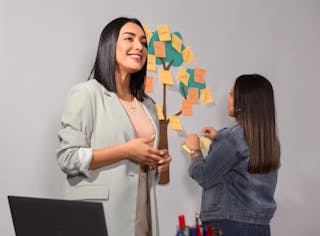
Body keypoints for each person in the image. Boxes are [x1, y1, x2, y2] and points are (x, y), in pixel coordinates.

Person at [56, 17, 171, 236]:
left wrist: (157, 163)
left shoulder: (148, 106)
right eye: (130, 38)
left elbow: (141, 170)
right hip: (100, 217)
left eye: (143, 42)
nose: (139, 46)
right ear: (110, 45)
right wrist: (126, 151)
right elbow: (67, 158)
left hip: (142, 218)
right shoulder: (86, 94)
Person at [184, 74, 280, 236]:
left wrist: (195, 150)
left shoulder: (233, 138)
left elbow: (203, 176)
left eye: (230, 93)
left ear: (242, 103)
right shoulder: (269, 140)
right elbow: (243, 156)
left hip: (229, 225)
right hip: (261, 227)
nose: (228, 98)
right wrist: (218, 137)